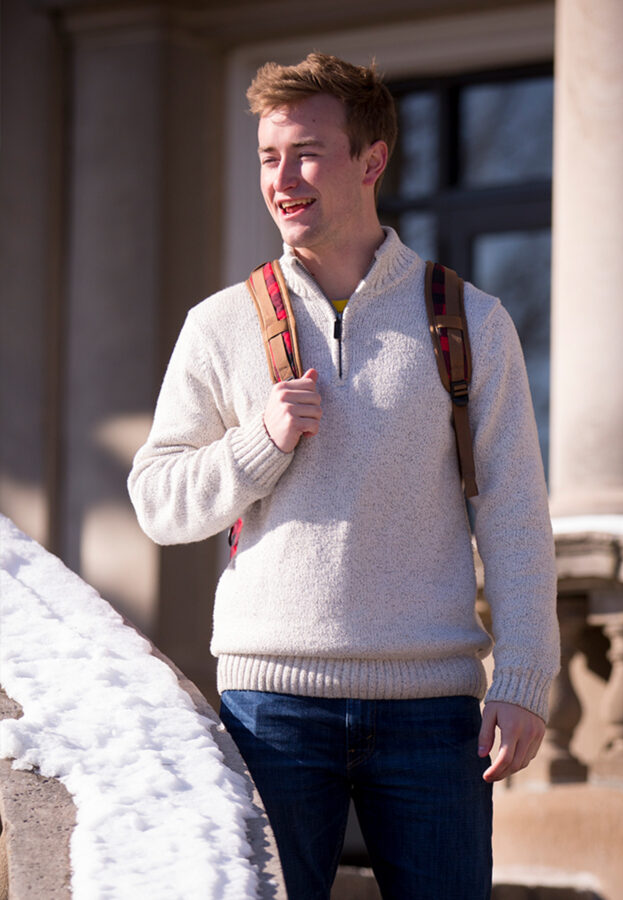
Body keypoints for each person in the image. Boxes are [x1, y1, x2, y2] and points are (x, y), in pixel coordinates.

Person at [128, 52, 559, 900]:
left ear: (371, 160)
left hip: (434, 713)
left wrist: (525, 679)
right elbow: (157, 500)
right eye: (267, 157)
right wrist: (258, 442)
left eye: (306, 153)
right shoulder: (219, 325)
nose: (282, 179)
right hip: (269, 708)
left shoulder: (469, 319)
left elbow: (513, 514)